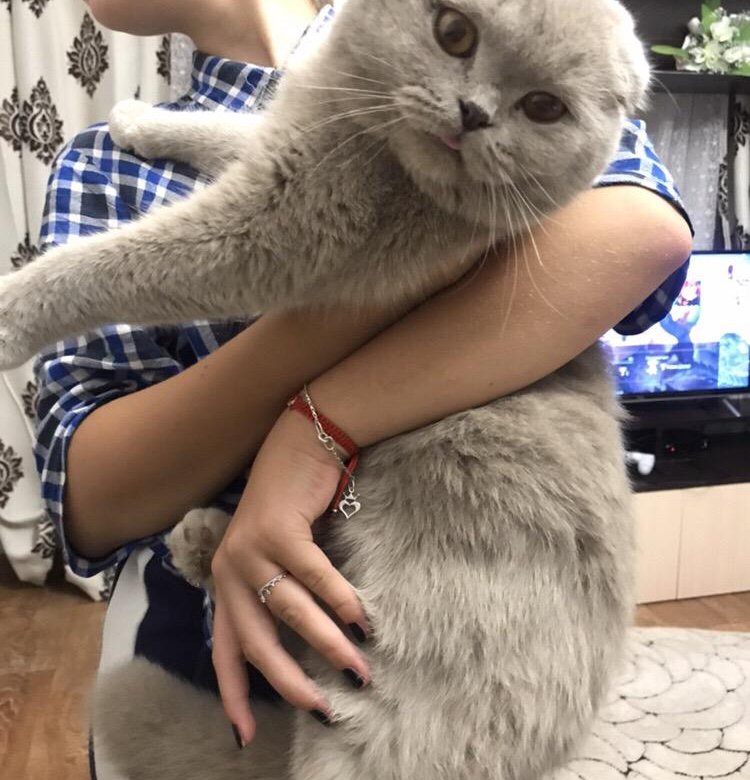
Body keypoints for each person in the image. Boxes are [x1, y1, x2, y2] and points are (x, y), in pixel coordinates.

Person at [35, 0, 693, 774]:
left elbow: (642, 236)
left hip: (462, 607)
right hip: (208, 643)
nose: (475, 106)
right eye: (455, 37)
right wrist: (350, 313)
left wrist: (314, 431)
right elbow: (90, 499)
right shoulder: (104, 162)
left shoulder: (535, 26)